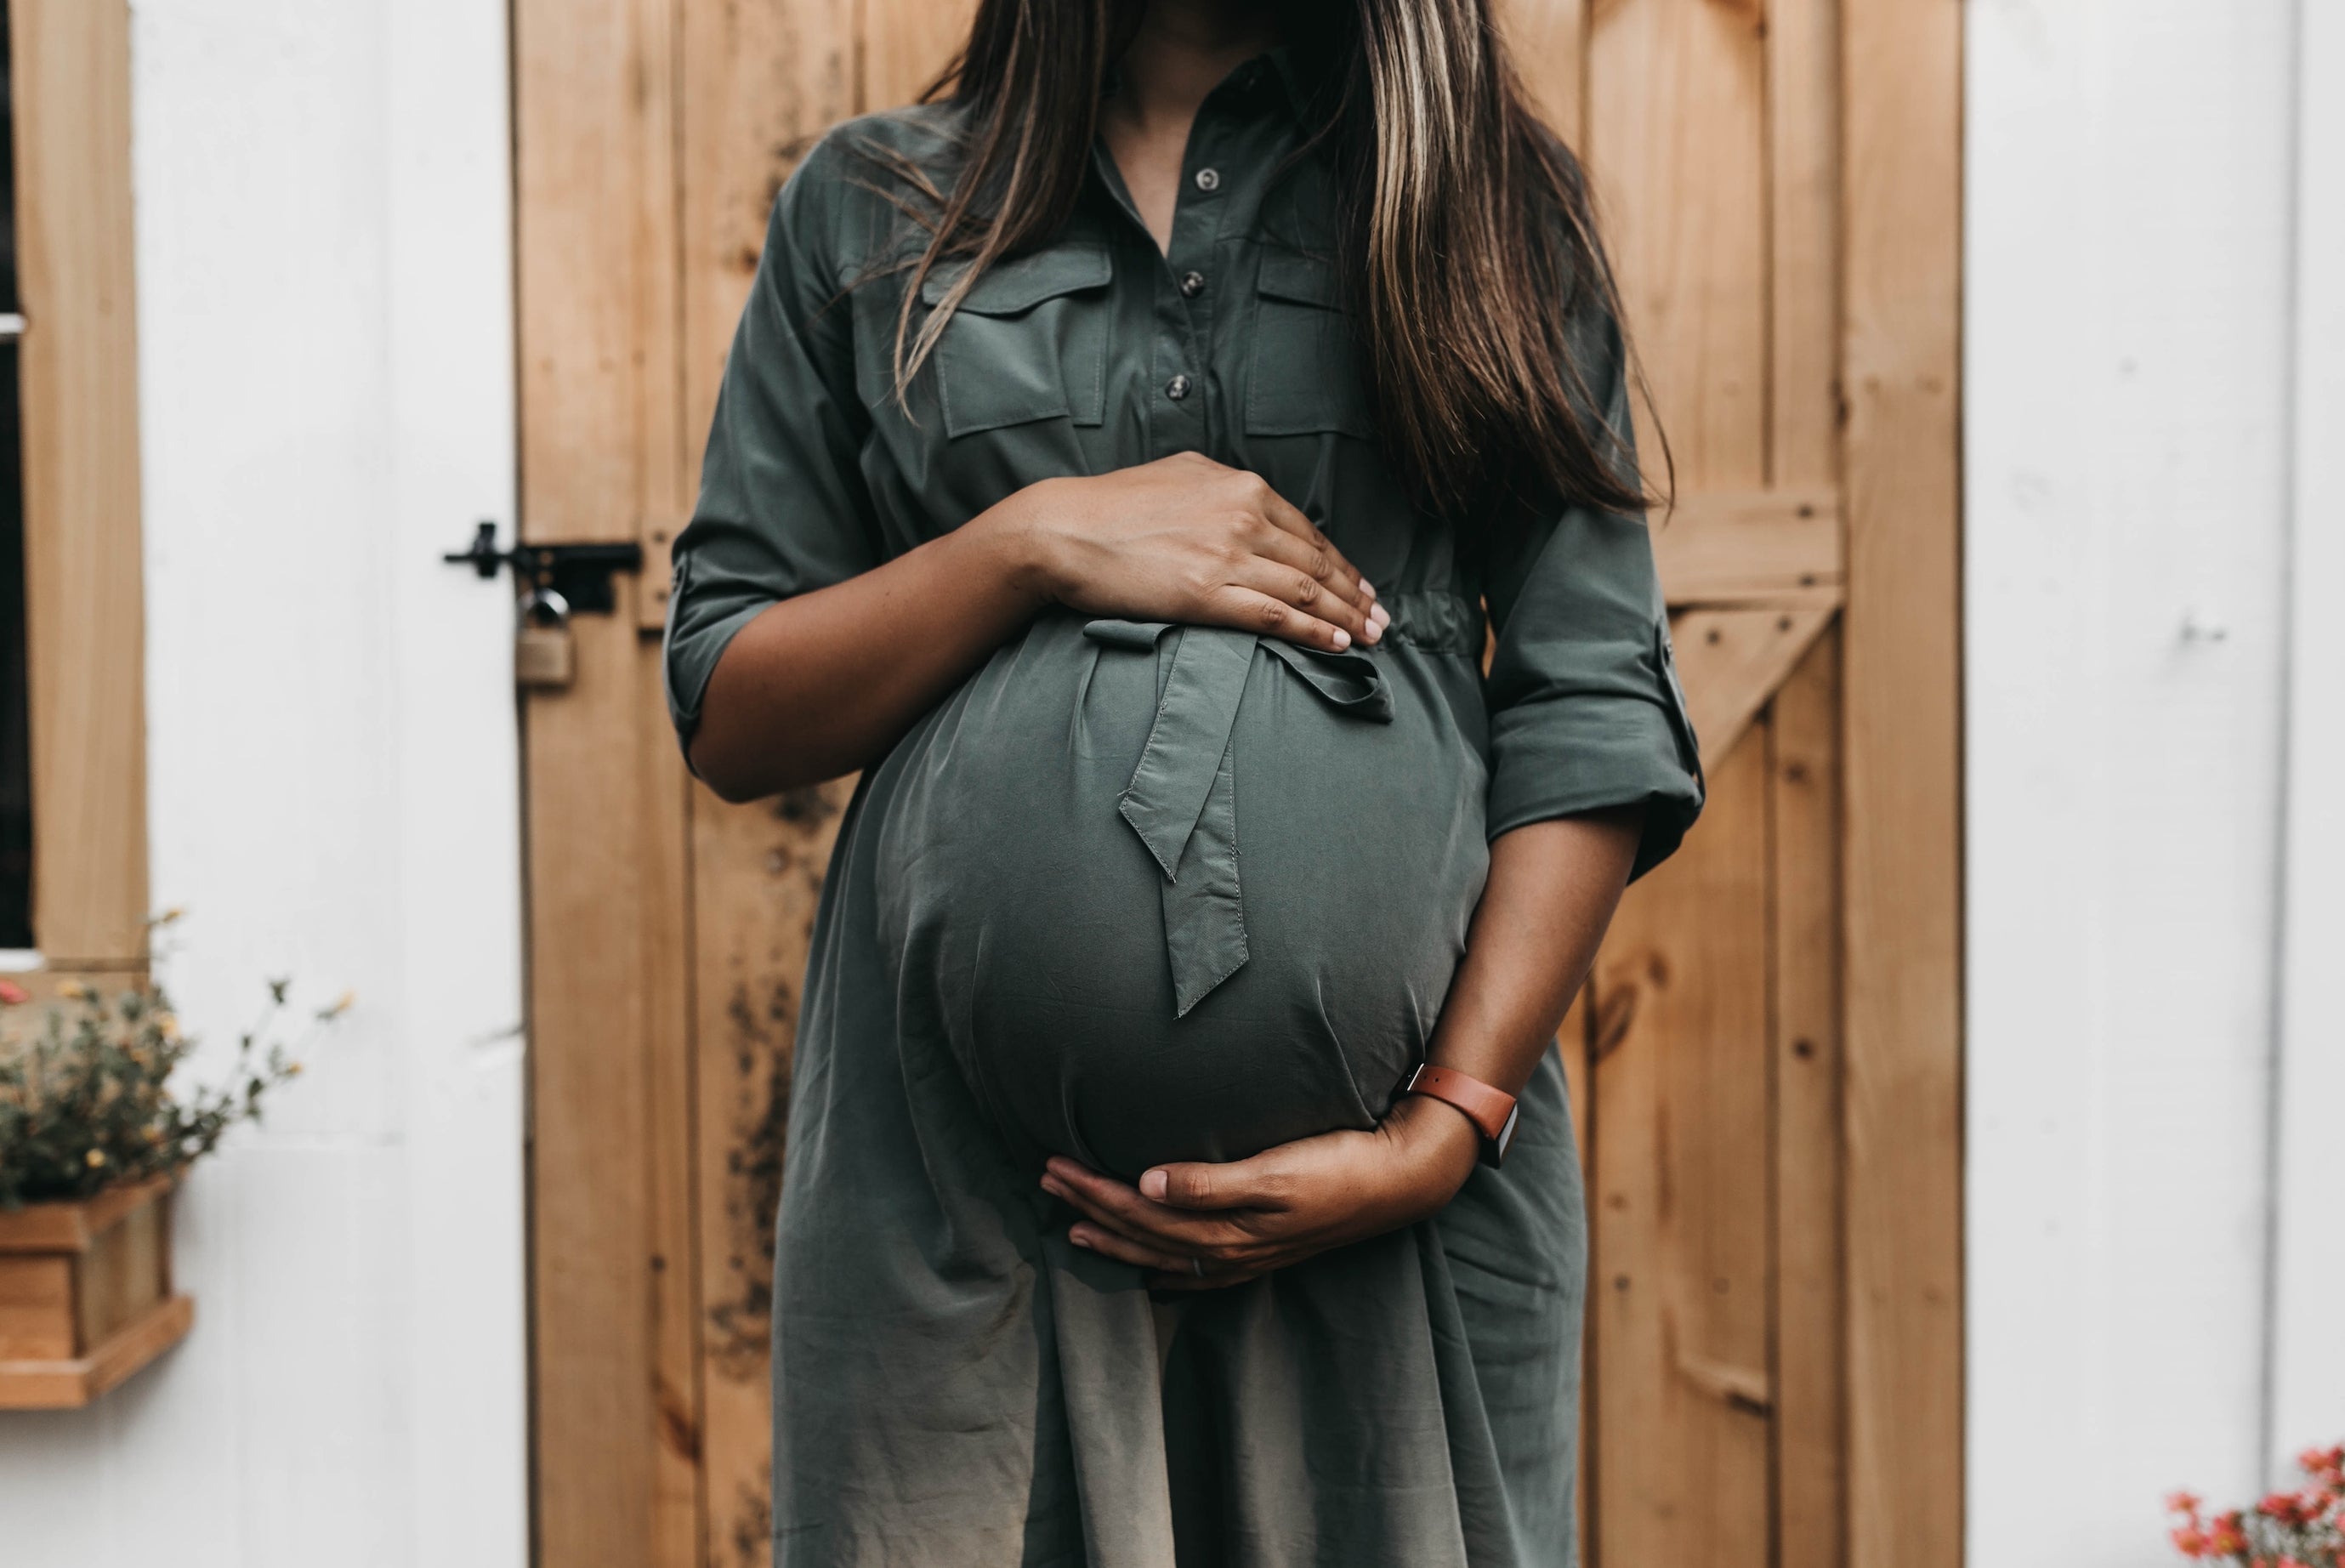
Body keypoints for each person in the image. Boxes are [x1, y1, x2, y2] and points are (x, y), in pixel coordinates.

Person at [661, 0, 1703, 1560]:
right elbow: (732, 707)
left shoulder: (1482, 200)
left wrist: (1440, 1129)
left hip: (1398, 1203)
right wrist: (1025, 544)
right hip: (964, 1207)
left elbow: (1592, 700)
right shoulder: (869, 206)